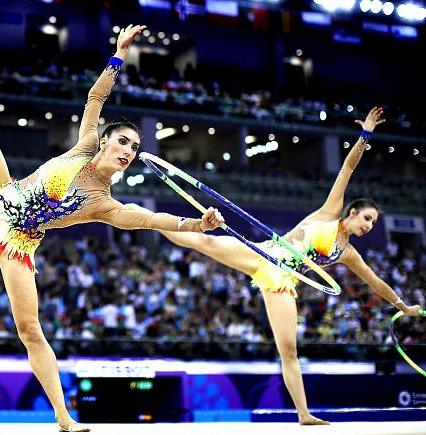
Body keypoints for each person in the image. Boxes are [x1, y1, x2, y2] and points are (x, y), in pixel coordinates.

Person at [0, 0, 224, 431]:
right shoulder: (85, 144)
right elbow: (94, 101)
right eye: (124, 142)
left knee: (29, 329)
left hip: (16, 240)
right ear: (108, 140)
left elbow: (152, 220)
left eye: (135, 147)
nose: (129, 151)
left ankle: (62, 416)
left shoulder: (105, 204)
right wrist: (117, 57)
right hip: (4, 192)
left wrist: (197, 222)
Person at [159, 107, 422, 425]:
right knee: (205, 241)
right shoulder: (329, 212)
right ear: (352, 213)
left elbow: (375, 282)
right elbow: (348, 168)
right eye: (367, 218)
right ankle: (145, 220)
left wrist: (402, 305)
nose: (369, 225)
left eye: (374, 223)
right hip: (266, 254)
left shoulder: (349, 253)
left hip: (283, 281)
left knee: (289, 350)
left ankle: (303, 414)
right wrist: (365, 136)